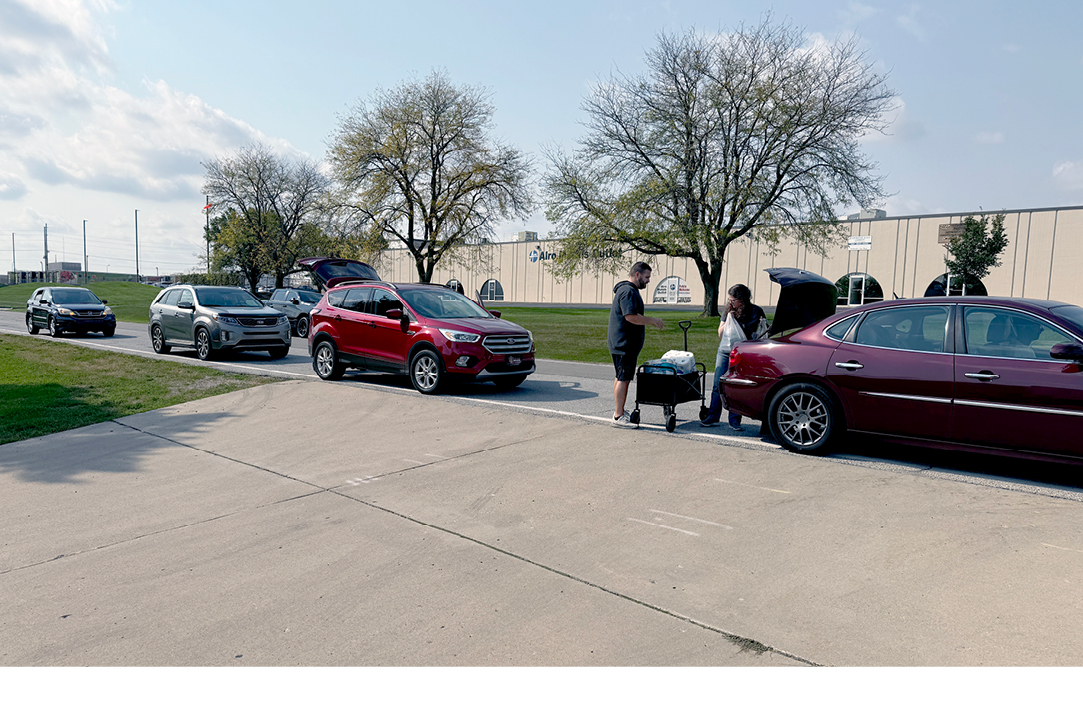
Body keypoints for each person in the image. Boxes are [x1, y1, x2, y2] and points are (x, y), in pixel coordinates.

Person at [701, 283, 766, 430]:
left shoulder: (755, 311)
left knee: (737, 384)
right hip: (725, 351)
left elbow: (761, 331)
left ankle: (734, 419)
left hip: (743, 352)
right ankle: (713, 416)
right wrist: (729, 317)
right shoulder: (728, 311)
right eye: (729, 300)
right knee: (718, 383)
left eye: (733, 300)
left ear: (742, 300)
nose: (730, 303)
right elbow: (720, 333)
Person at [608, 262, 664, 426]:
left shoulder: (627, 290)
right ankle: (619, 416)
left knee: (621, 377)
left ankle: (619, 410)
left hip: (621, 344)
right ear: (637, 274)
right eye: (646, 277)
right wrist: (653, 321)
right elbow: (631, 316)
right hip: (624, 344)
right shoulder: (628, 292)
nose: (648, 281)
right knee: (623, 379)